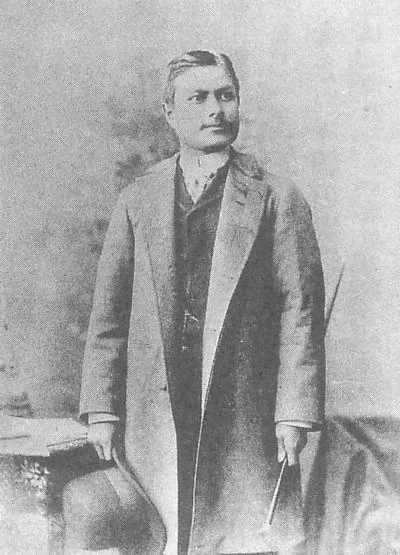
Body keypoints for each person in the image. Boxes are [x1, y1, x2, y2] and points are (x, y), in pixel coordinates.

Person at [75, 50, 326, 555]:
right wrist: (101, 409)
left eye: (226, 95)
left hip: (244, 409)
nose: (216, 110)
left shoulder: (277, 197)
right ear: (169, 112)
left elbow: (300, 314)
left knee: (240, 533)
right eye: (199, 98)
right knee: (166, 529)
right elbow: (109, 318)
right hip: (157, 408)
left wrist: (294, 413)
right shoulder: (138, 199)